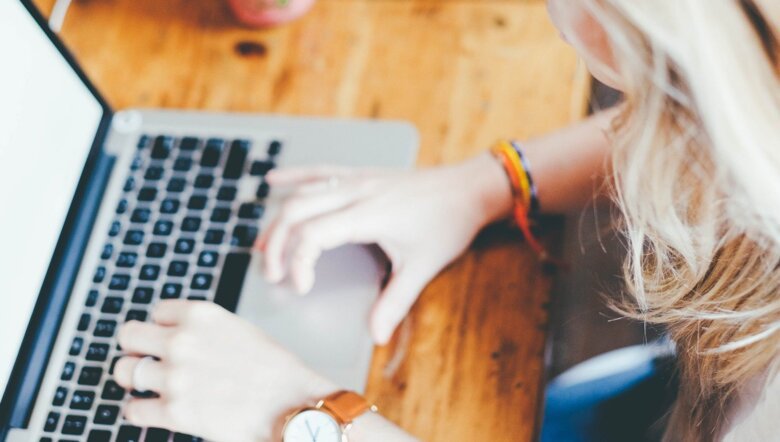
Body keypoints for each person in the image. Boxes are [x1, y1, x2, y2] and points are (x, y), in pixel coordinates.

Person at [112, 0, 780, 440]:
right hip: (664, 391)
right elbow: (701, 113)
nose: (556, 21)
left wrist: (295, 414)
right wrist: (488, 185)